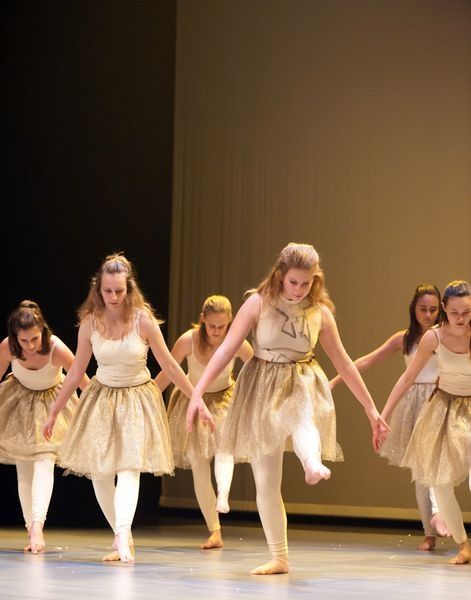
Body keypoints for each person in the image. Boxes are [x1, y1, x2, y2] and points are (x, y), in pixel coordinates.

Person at [187, 242, 388, 575]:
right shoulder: (257, 303)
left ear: (315, 279)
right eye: (293, 282)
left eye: (306, 283)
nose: (299, 289)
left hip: (301, 377)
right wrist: (196, 392)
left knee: (302, 418)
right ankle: (279, 557)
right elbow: (225, 351)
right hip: (262, 384)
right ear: (280, 275)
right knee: (266, 480)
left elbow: (344, 363)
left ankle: (311, 462)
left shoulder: (319, 312)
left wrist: (371, 408)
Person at [43, 253, 199, 563]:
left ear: (129, 289)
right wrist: (54, 410)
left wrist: (195, 398)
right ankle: (120, 534)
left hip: (137, 398)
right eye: (108, 291)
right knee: (100, 473)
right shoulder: (89, 323)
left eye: (119, 291)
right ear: (98, 289)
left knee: (129, 467)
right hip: (102, 398)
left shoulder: (143, 320)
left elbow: (169, 364)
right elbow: (75, 371)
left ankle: (123, 534)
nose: (113, 297)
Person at [330, 284, 449, 550]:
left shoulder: (446, 335)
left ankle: (440, 513)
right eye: (423, 309)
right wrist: (335, 381)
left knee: (433, 462)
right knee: (420, 469)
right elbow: (367, 361)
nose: (428, 315)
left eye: (433, 310)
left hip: (440, 400)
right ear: (413, 309)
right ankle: (429, 531)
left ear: (440, 309)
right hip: (414, 403)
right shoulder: (404, 339)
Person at [378, 280, 471, 565]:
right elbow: (408, 378)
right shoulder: (434, 338)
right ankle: (463, 545)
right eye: (454, 312)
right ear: (444, 308)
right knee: (438, 482)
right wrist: (383, 415)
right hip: (444, 407)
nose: (460, 318)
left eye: (467, 312)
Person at [156, 295, 252, 550]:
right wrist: (148, 396)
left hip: (224, 399)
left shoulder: (236, 341)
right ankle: (214, 530)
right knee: (199, 464)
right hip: (193, 400)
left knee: (224, 447)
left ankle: (223, 494)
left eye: (222, 326)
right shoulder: (188, 340)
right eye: (212, 326)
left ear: (230, 322)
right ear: (202, 320)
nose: (217, 331)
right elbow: (168, 373)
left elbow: (256, 368)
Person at [0, 300, 89, 554]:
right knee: (24, 468)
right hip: (19, 403)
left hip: (52, 404)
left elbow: (82, 380)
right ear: (15, 337)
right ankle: (31, 529)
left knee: (45, 460)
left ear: (43, 330)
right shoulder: (8, 347)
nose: (30, 345)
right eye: (24, 340)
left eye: (35, 339)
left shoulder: (55, 348)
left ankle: (38, 525)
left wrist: (97, 411)